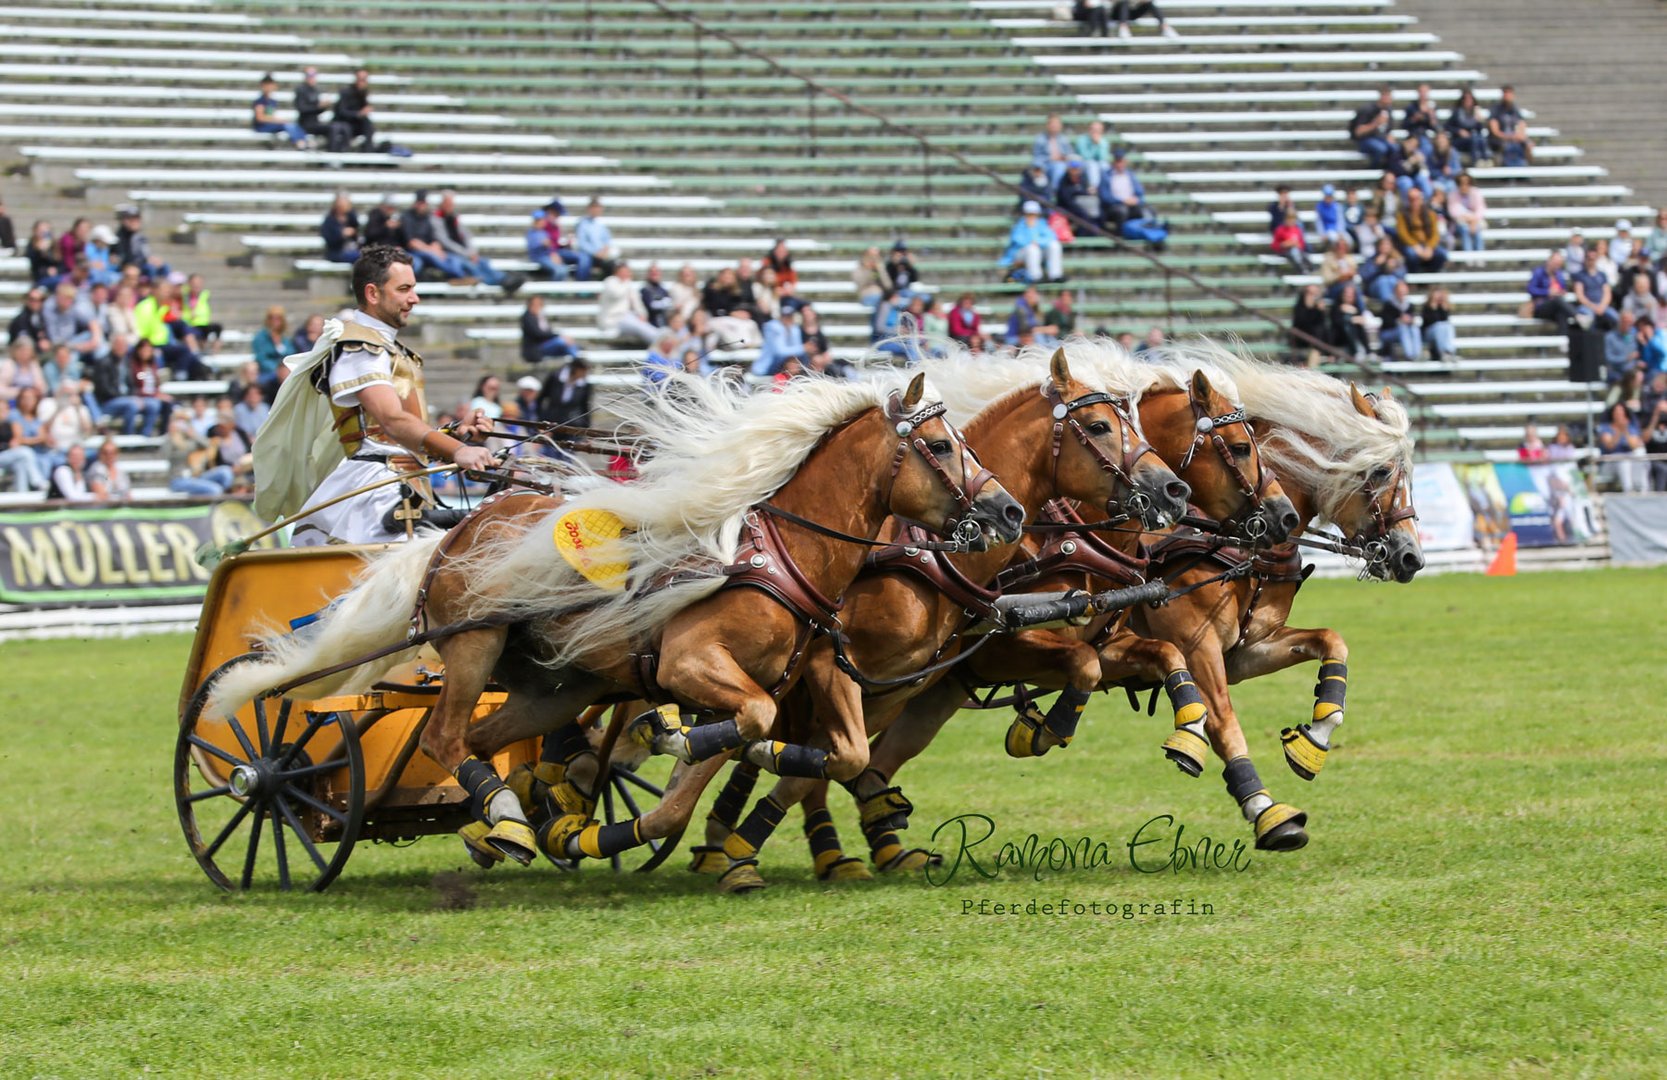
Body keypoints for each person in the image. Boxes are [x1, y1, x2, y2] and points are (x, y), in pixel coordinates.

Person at [257, 245, 494, 545]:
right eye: (404, 289)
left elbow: (392, 436)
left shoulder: (388, 349)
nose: (414, 298)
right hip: (375, 490)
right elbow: (391, 421)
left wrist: (455, 434)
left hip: (403, 482)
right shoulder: (360, 348)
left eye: (413, 288)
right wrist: (456, 450)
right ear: (372, 293)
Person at [436, 190, 516, 293]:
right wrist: (467, 254)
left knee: (483, 262)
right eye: (448, 203)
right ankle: (499, 281)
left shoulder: (454, 217)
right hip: (451, 254)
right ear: (442, 203)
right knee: (471, 266)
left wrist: (472, 252)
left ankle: (504, 278)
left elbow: (466, 235)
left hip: (464, 252)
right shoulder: (436, 218)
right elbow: (445, 242)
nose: (450, 206)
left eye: (452, 203)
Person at [401, 191, 472, 282]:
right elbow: (411, 242)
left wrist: (437, 249)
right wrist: (431, 250)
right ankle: (460, 276)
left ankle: (462, 276)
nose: (422, 206)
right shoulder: (407, 217)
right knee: (431, 258)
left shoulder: (427, 217)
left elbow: (434, 238)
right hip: (413, 251)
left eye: (424, 203)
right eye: (420, 203)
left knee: (453, 259)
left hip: (429, 249)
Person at [1001, 201, 1064, 284]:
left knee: (1054, 245)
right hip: (1022, 253)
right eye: (1029, 214)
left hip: (1039, 251)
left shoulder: (1042, 223)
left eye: (1034, 214)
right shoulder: (1019, 225)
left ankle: (1055, 275)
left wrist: (1038, 242)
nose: (1032, 216)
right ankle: (1036, 276)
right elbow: (1018, 240)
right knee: (1032, 248)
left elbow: (1051, 237)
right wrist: (1033, 240)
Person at [596, 262, 658, 344]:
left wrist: (642, 314)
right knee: (638, 325)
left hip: (625, 317)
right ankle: (659, 340)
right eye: (623, 271)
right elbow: (616, 294)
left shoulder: (628, 285)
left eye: (627, 271)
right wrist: (626, 282)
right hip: (612, 319)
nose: (626, 274)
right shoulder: (610, 281)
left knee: (641, 324)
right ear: (617, 272)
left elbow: (637, 303)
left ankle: (659, 338)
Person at [1596, 402, 1647, 492]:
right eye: (1617, 412)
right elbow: (1610, 446)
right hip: (1609, 463)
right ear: (1612, 414)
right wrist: (1619, 431)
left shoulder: (1630, 427)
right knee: (1623, 460)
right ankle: (1628, 491)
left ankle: (1642, 489)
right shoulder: (1605, 427)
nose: (1619, 414)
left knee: (1640, 453)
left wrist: (1625, 430)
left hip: (1629, 461)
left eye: (1621, 412)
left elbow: (1634, 446)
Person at [0, 396, 47, 493]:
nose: (3, 412)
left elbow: (17, 439)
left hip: (7, 457)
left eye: (5, 409)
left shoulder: (9, 424)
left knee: (20, 464)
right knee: (26, 452)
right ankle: (37, 481)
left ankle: (21, 493)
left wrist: (13, 444)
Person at [1395, 187, 1447, 273]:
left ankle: (1431, 274)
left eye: (1417, 199)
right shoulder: (1402, 215)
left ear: (1421, 199)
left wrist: (1429, 247)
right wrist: (1414, 245)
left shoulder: (1431, 214)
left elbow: (1435, 234)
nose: (1414, 202)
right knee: (1411, 254)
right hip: (1412, 245)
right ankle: (1414, 275)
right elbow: (1403, 233)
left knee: (1442, 254)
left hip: (1427, 244)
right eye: (1412, 199)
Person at [520, 295, 583, 364]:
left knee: (569, 345)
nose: (538, 306)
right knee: (561, 341)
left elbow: (547, 332)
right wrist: (558, 336)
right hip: (536, 348)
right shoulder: (528, 317)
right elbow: (538, 334)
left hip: (546, 344)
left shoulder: (540, 317)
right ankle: (577, 363)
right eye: (536, 304)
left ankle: (577, 363)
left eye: (540, 304)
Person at [251, 73, 308, 149]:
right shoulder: (260, 101)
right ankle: (299, 142)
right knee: (288, 125)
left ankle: (303, 140)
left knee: (292, 125)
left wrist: (277, 120)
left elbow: (270, 115)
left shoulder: (272, 101)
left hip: (269, 124)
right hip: (262, 126)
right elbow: (260, 118)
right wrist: (277, 121)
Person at [1571, 247, 1617, 332]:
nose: (1591, 261)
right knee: (1587, 319)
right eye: (1589, 258)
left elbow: (1607, 293)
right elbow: (1580, 295)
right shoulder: (1579, 275)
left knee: (1616, 318)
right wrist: (1593, 307)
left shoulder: (1602, 275)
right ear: (1585, 259)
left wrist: (1602, 306)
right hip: (1586, 307)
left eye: (1593, 258)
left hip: (1602, 306)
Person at [1527, 250, 1576, 330]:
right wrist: (1547, 292)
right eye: (1555, 263)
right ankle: (1577, 316)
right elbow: (1531, 289)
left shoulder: (1559, 274)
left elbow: (1563, 288)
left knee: (1562, 314)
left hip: (1556, 306)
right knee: (1557, 300)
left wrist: (1561, 292)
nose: (1557, 266)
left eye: (1559, 264)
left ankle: (1563, 337)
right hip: (1541, 306)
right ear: (1549, 261)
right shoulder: (1539, 272)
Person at [537, 359, 591, 430]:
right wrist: (540, 418)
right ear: (575, 369)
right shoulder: (555, 378)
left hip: (572, 423)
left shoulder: (585, 385)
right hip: (551, 420)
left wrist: (586, 426)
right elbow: (541, 398)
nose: (585, 374)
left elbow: (584, 406)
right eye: (583, 371)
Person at [753, 306, 807, 377]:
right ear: (780, 317)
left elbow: (797, 349)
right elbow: (780, 352)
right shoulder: (772, 327)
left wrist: (802, 349)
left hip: (782, 367)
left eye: (789, 316)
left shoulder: (794, 328)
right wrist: (803, 348)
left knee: (801, 360)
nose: (787, 319)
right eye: (785, 316)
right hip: (766, 369)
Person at [1350, 86, 1396, 169]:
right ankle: (1374, 168)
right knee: (1381, 148)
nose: (1389, 100)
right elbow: (1358, 132)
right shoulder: (1367, 109)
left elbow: (1387, 130)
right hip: (1365, 140)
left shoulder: (1388, 110)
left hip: (1381, 139)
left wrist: (1389, 136)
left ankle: (1390, 170)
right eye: (1387, 96)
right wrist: (1375, 124)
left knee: (1395, 148)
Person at [1488, 85, 1534, 167]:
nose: (1507, 96)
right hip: (1501, 139)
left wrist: (1521, 136)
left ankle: (1524, 166)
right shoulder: (1496, 110)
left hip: (1514, 138)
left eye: (1509, 93)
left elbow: (1521, 124)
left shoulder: (1515, 110)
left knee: (1528, 144)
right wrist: (1510, 137)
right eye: (1506, 93)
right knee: (1509, 146)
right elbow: (1495, 131)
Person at [574, 197, 617, 281]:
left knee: (612, 264)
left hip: (601, 252)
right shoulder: (582, 223)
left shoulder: (601, 223)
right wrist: (595, 253)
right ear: (589, 209)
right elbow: (582, 242)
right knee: (584, 262)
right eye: (594, 208)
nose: (596, 210)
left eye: (597, 208)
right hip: (588, 253)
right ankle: (582, 285)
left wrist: (605, 249)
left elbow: (607, 239)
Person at [333, 68, 376, 151]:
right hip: (344, 122)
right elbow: (341, 112)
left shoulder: (363, 93)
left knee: (368, 124)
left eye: (364, 80)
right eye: (360, 79)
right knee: (347, 127)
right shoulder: (346, 92)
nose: (362, 82)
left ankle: (368, 149)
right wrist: (359, 113)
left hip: (356, 123)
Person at [1379, 280, 1422, 360]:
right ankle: (1409, 355)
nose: (1402, 294)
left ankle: (1416, 354)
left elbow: (1416, 319)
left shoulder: (1409, 305)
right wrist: (1399, 321)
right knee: (1403, 328)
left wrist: (1410, 320)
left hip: (1406, 332)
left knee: (1414, 328)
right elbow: (1386, 322)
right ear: (1395, 292)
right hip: (1389, 333)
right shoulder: (1388, 304)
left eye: (1403, 292)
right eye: (1400, 292)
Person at [1446, 88, 1489, 166]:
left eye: (1470, 99)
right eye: (1466, 99)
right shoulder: (1457, 113)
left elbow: (1480, 129)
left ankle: (1486, 159)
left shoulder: (1475, 113)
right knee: (1474, 139)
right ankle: (1476, 160)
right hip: (1459, 140)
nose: (1468, 101)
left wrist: (1479, 120)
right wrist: (1459, 131)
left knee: (1481, 139)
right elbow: (1447, 126)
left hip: (1474, 137)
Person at [1031, 114, 1073, 192]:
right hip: (1045, 166)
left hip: (1062, 165)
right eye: (1052, 124)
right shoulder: (1040, 139)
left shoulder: (1064, 139)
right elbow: (1036, 158)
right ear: (1048, 125)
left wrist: (1064, 158)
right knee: (1058, 167)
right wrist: (1051, 158)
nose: (1054, 126)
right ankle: (1055, 191)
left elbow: (1070, 155)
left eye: (1057, 124)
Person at [1289, 284, 1329, 366]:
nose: (1313, 296)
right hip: (1302, 340)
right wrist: (1312, 309)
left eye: (1315, 294)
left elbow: (1322, 326)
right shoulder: (1299, 307)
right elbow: (1302, 324)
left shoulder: (1318, 308)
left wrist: (1320, 311)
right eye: (1310, 293)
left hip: (1316, 343)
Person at [1330, 283, 1373, 359]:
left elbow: (1361, 320)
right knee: (1347, 324)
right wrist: (1350, 319)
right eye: (1346, 294)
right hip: (1340, 339)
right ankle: (1357, 351)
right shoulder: (1336, 307)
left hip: (1355, 336)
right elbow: (1336, 323)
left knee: (1359, 326)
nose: (1348, 296)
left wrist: (1355, 318)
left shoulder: (1356, 307)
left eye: (1351, 294)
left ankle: (1367, 352)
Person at [1449, 173, 1486, 253]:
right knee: (1465, 229)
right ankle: (1468, 257)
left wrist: (1473, 220)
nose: (1464, 186)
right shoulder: (1453, 194)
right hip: (1459, 223)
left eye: (1467, 183)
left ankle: (1480, 257)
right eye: (1462, 183)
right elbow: (1454, 212)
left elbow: (1480, 209)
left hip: (1475, 221)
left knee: (1476, 229)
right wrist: (1470, 219)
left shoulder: (1476, 192)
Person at [321, 190, 362, 263]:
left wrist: (353, 233)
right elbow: (329, 240)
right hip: (336, 252)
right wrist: (342, 234)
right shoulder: (330, 220)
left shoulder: (351, 217)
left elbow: (357, 234)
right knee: (359, 257)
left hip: (352, 249)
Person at [86, 437, 131, 501]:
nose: (109, 456)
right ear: (100, 454)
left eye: (113, 452)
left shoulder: (121, 470)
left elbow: (128, 494)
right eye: (105, 453)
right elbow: (101, 495)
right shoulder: (96, 469)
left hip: (122, 505)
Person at [1073, 120, 1114, 189]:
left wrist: (1098, 144)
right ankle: (1094, 188)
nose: (1095, 132)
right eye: (1093, 129)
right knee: (1092, 165)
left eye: (1098, 130)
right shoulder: (1081, 140)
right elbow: (1085, 157)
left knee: (1105, 165)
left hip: (1097, 164)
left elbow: (1103, 157)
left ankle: (1108, 187)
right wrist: (1094, 145)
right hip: (1082, 164)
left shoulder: (1103, 141)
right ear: (1089, 130)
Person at [1423, 286, 1458, 363]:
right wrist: (1434, 308)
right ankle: (1443, 352)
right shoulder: (1427, 307)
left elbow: (1445, 320)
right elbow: (1432, 321)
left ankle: (1449, 351)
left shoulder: (1444, 307)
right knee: (1439, 326)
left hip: (1440, 332)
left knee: (1448, 326)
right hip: (1429, 334)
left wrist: (1443, 308)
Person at [252, 306, 289, 376]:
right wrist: (277, 369)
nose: (275, 321)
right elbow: (261, 358)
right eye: (272, 318)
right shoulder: (260, 337)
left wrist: (278, 344)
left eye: (278, 318)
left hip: (285, 370)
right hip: (268, 372)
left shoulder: (285, 338)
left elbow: (290, 353)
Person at [1112, 0, 1177, 38]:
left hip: (1132, 13)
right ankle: (1123, 27)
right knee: (1124, 2)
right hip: (1117, 13)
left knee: (1149, 3)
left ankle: (1164, 27)